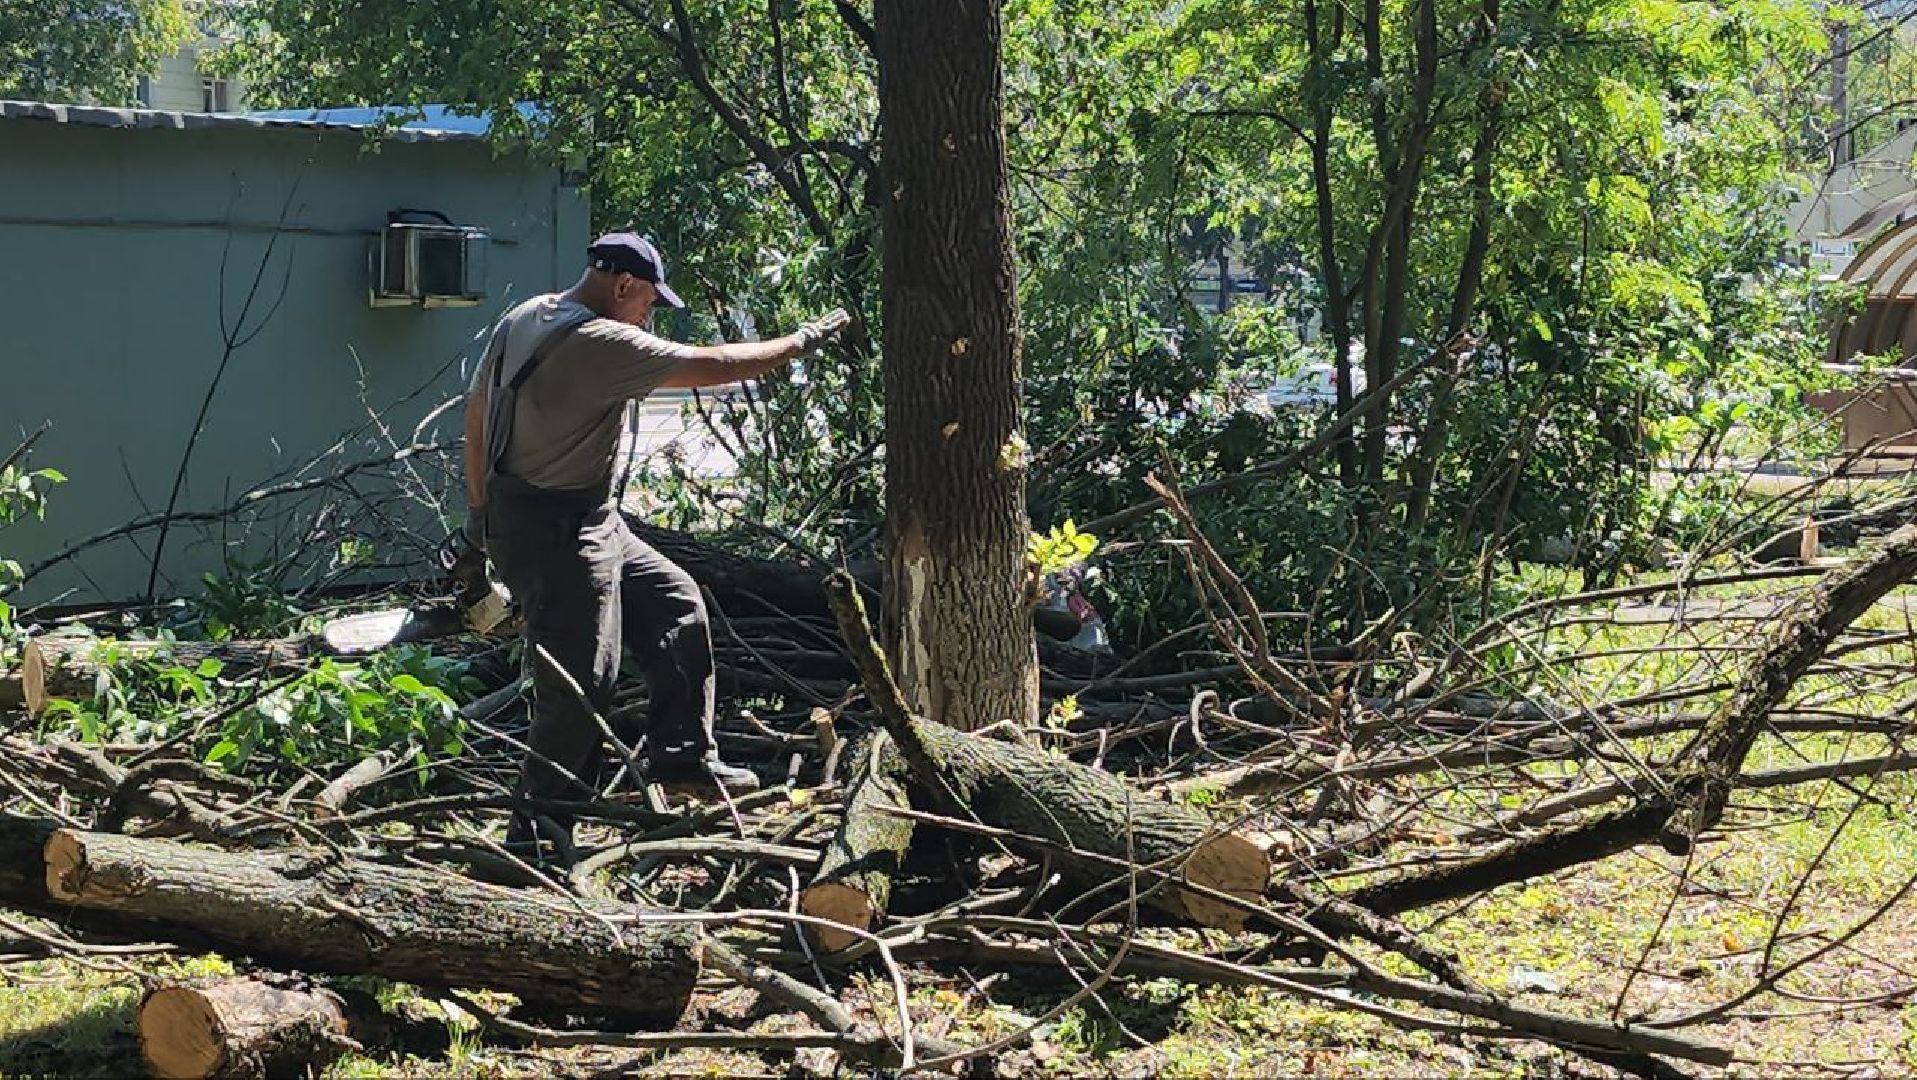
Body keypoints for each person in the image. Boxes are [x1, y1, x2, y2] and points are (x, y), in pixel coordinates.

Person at [454, 231, 848, 854]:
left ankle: (683, 758)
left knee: (675, 602)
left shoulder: (527, 315)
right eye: (649, 302)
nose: (648, 314)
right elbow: (717, 367)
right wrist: (801, 342)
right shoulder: (602, 342)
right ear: (623, 285)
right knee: (583, 682)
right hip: (555, 532)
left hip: (582, 516)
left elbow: (476, 415)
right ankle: (536, 835)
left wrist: (479, 516)